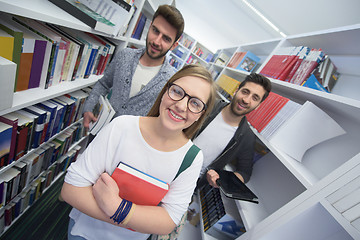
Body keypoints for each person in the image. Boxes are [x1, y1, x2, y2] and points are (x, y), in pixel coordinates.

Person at [61, 65, 217, 240]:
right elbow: (71, 190)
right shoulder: (122, 126)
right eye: (177, 91)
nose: (181, 106)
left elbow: (168, 220)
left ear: (201, 115)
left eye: (195, 103)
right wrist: (134, 219)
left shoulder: (192, 158)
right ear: (165, 91)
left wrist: (116, 207)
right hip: (84, 232)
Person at [82, 4, 185, 129]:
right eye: (155, 31)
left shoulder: (171, 82)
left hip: (129, 144)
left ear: (174, 45)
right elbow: (103, 84)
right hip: (100, 129)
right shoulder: (125, 55)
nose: (156, 41)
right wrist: (89, 107)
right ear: (150, 26)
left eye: (166, 39)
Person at [194, 73, 272, 188]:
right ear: (236, 90)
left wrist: (221, 178)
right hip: (167, 161)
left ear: (258, 106)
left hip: (191, 185)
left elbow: (245, 173)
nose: (246, 100)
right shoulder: (209, 104)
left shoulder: (246, 136)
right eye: (245, 92)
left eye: (255, 98)